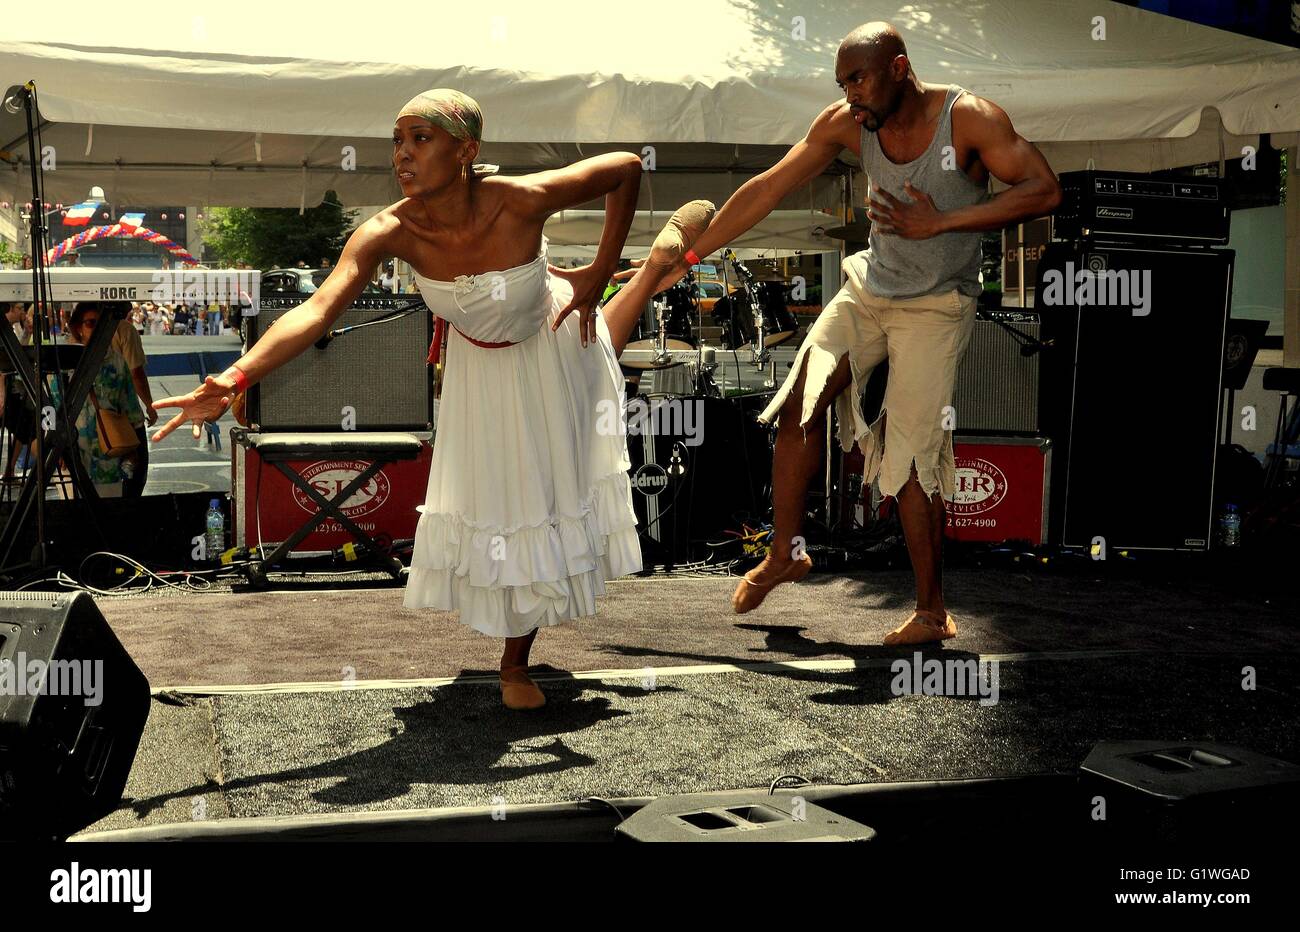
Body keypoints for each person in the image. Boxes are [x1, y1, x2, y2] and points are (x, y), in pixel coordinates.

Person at [151, 88, 713, 710]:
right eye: (398, 140)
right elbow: (316, 310)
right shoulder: (387, 231)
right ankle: (658, 262)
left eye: (421, 139)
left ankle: (513, 662)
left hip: (548, 340)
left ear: (467, 151)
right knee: (505, 501)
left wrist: (600, 272)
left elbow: (628, 168)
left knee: (544, 481)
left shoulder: (521, 198)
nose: (403, 154)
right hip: (481, 366)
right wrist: (236, 376)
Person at [602, 22, 1061, 646]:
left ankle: (931, 610)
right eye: (843, 82)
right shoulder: (848, 122)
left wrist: (943, 221)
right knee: (798, 401)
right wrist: (680, 264)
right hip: (869, 290)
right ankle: (787, 553)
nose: (851, 95)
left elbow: (1045, 189)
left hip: (935, 305)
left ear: (899, 68)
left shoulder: (969, 119)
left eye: (859, 79)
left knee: (910, 457)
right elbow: (767, 188)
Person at [48, 303, 144, 498]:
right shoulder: (62, 365)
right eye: (91, 323)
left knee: (107, 519)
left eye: (103, 324)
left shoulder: (117, 363)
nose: (98, 329)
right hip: (72, 459)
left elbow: (131, 409)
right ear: (78, 329)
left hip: (108, 460)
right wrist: (53, 447)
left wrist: (134, 449)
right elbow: (50, 407)